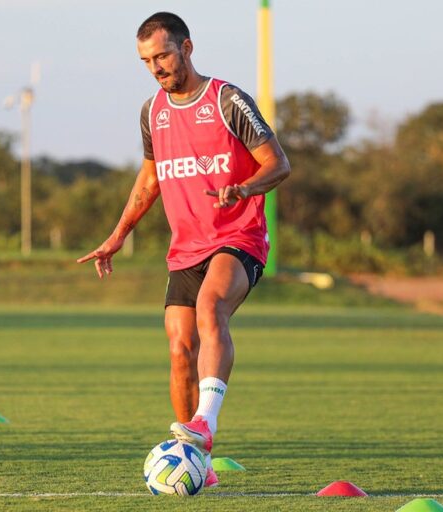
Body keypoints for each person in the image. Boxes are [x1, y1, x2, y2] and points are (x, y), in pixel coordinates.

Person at [77, 12, 290, 489]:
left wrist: (244, 188)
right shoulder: (152, 111)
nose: (155, 67)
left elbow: (279, 164)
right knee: (179, 349)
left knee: (211, 307)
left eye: (162, 55)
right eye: (146, 61)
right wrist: (118, 234)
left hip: (239, 238)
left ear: (187, 48)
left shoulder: (227, 100)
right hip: (186, 249)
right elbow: (150, 178)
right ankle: (198, 462)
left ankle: (204, 426)